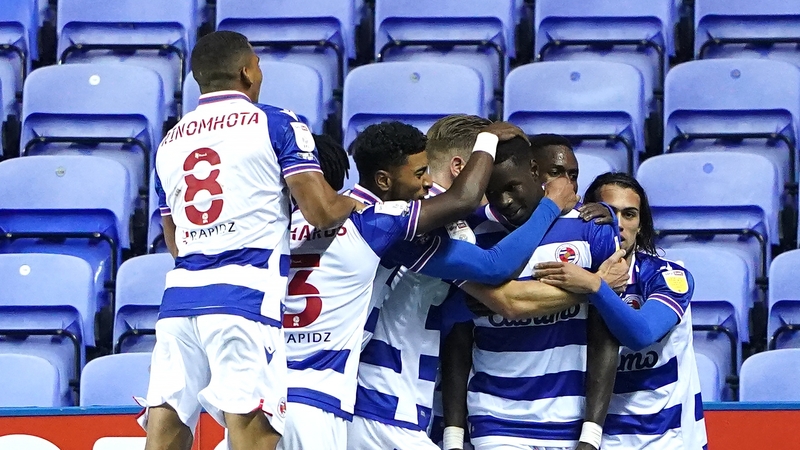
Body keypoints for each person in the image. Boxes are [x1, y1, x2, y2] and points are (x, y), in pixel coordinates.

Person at [277, 118, 575, 450]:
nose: (494, 196)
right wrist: (594, 286)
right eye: (489, 180)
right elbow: (507, 294)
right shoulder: (398, 224)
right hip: (380, 408)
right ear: (466, 168)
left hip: (301, 392)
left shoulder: (307, 219)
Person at [137, 31, 362, 450]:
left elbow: (174, 241)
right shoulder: (276, 122)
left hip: (181, 299)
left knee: (164, 430)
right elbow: (320, 211)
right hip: (244, 298)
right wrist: (354, 200)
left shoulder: (169, 142)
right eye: (258, 65)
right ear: (246, 71)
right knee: (251, 435)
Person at [439, 136, 624, 450]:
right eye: (493, 193)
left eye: (512, 187)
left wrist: (591, 435)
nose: (504, 201)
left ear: (537, 172)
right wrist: (453, 438)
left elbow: (603, 333)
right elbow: (459, 339)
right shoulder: (471, 233)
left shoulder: (590, 226)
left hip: (568, 418)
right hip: (495, 418)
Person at [534, 173, 708, 449]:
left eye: (629, 215)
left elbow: (641, 334)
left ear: (641, 225)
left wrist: (595, 286)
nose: (619, 224)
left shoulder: (669, 275)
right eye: (608, 213)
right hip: (592, 437)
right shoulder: (566, 277)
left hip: (665, 438)